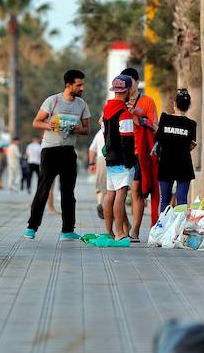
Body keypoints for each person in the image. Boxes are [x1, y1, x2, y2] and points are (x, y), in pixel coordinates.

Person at [24, 69, 92, 240]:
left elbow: (87, 130)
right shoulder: (53, 101)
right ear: (68, 85)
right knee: (43, 189)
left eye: (82, 84)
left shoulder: (82, 105)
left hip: (68, 152)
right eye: (79, 85)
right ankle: (31, 227)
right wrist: (51, 126)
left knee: (68, 192)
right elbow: (36, 122)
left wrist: (78, 129)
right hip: (50, 150)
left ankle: (67, 230)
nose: (82, 88)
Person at [121, 68, 160, 241]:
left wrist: (138, 117)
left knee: (136, 189)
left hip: (140, 152)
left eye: (130, 81)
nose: (128, 86)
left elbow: (155, 125)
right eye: (125, 83)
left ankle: (135, 230)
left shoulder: (147, 101)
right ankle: (124, 226)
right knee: (117, 192)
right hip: (121, 152)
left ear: (137, 82)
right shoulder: (118, 101)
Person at [102, 74, 136, 241]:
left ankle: (108, 231)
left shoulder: (106, 110)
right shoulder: (124, 113)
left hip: (109, 158)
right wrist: (130, 160)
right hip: (123, 160)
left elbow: (104, 132)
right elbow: (127, 139)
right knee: (121, 194)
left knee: (110, 194)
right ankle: (119, 232)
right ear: (128, 90)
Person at [156, 89, 197, 210]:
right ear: (188, 106)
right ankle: (180, 227)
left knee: (165, 200)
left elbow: (159, 138)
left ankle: (163, 227)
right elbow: (191, 144)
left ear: (174, 104)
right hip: (184, 164)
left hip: (166, 164)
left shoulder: (164, 119)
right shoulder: (191, 124)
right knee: (182, 200)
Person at [88, 128, 107, 219]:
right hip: (111, 158)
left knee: (100, 184)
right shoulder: (115, 128)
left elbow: (92, 149)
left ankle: (100, 203)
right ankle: (105, 206)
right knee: (111, 186)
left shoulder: (99, 132)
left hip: (100, 159)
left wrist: (91, 163)